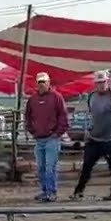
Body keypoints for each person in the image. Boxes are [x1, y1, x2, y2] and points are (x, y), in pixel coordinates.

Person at [70, 71, 111, 201]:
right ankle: (78, 191)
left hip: (110, 138)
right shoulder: (92, 96)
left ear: (107, 82)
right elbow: (91, 113)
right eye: (98, 83)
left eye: (103, 82)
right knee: (86, 166)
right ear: (95, 84)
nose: (101, 85)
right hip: (94, 137)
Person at [23, 71, 69, 202]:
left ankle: (51, 191)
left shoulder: (56, 97)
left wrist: (57, 133)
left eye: (44, 82)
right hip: (40, 138)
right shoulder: (33, 100)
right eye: (40, 82)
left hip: (51, 138)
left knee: (50, 166)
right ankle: (45, 191)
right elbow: (28, 117)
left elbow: (63, 116)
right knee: (41, 167)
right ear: (37, 84)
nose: (42, 84)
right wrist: (32, 130)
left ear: (48, 83)